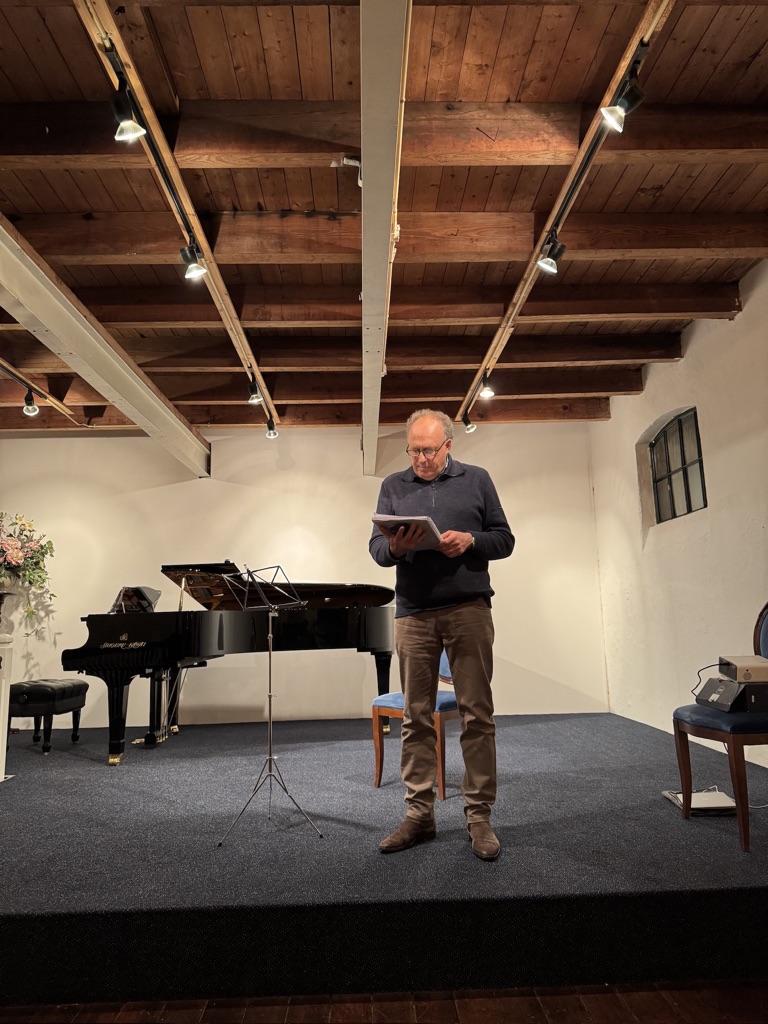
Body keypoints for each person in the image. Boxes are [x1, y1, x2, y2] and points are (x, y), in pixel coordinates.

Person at [369, 409, 514, 859]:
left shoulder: (477, 479)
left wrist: (471, 540)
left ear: (448, 445)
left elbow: (504, 540)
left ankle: (479, 817)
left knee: (477, 715)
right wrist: (396, 546)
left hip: (468, 608)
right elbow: (377, 549)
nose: (421, 459)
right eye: (414, 450)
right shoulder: (393, 485)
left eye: (429, 450)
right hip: (413, 614)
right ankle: (419, 815)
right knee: (415, 717)